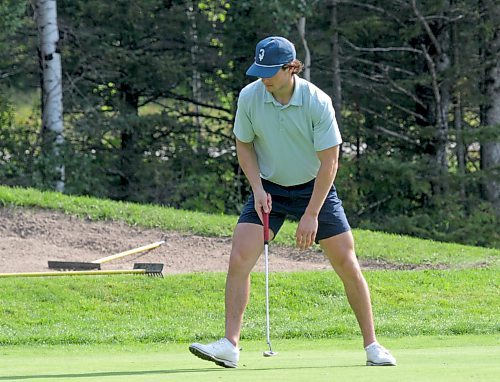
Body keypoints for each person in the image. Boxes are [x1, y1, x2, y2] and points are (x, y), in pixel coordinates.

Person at [189, 36, 396, 368]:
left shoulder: (316, 101)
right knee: (239, 257)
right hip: (269, 187)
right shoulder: (250, 96)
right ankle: (229, 345)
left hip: (315, 188)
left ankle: (372, 345)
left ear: (291, 68)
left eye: (271, 71)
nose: (264, 78)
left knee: (346, 262)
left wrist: (312, 213)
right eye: (260, 71)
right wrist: (257, 188)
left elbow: (330, 162)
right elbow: (244, 145)